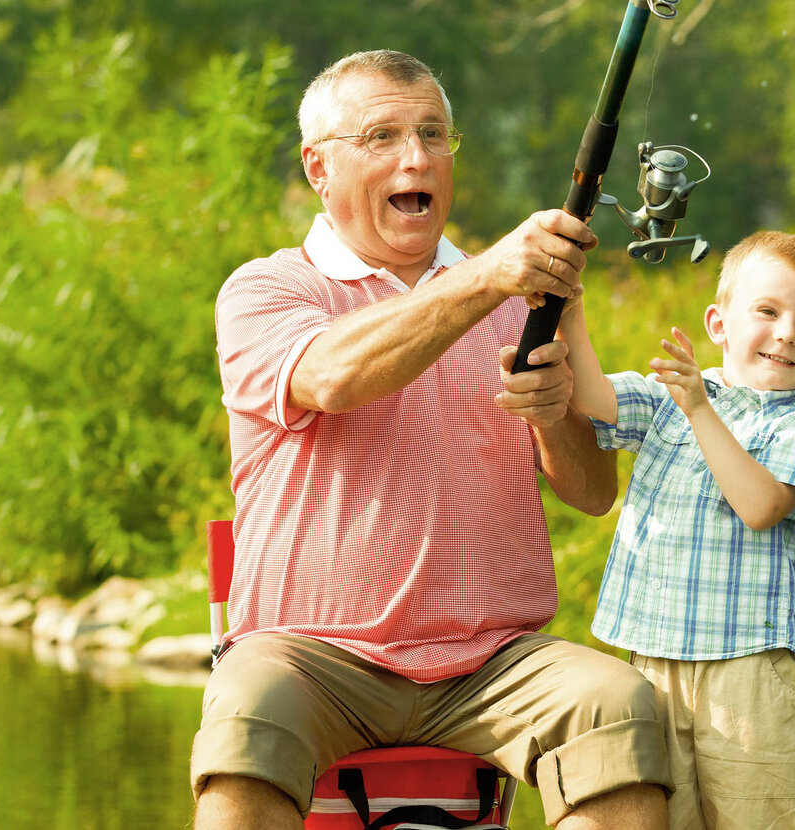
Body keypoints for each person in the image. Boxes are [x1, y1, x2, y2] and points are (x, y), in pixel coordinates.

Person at [190, 49, 672, 830]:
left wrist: (553, 413)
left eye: (433, 135)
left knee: (617, 705)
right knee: (247, 707)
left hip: (491, 662)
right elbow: (335, 378)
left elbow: (590, 492)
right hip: (310, 655)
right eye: (381, 136)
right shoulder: (269, 288)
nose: (416, 156)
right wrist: (485, 278)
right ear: (319, 167)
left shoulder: (518, 300)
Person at [560, 230, 795, 829]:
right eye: (767, 311)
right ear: (719, 324)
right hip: (655, 661)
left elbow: (759, 505)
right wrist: (572, 307)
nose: (787, 332)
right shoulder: (676, 397)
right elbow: (592, 397)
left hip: (749, 672)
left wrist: (699, 409)